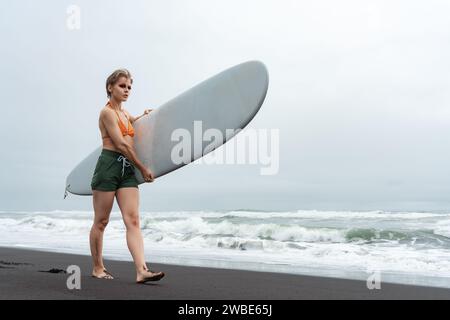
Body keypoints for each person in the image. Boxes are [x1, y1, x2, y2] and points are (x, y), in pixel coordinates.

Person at [89, 68, 164, 284]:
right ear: (110, 87)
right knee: (101, 221)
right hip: (108, 167)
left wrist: (145, 116)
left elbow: (135, 123)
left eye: (129, 87)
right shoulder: (107, 113)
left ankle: (142, 270)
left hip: (126, 170)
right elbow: (121, 144)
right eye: (122, 86)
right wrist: (142, 167)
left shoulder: (124, 113)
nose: (127, 90)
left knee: (133, 219)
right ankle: (97, 267)